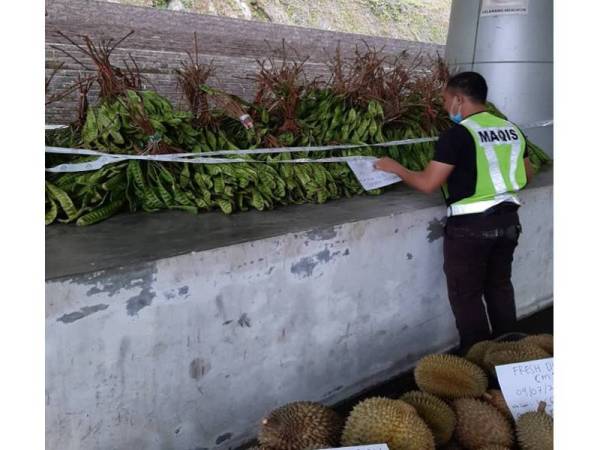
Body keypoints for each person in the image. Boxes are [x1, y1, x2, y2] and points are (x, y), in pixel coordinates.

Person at [374, 71, 535, 349]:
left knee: (467, 297)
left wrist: (396, 168)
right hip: (509, 222)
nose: (446, 107)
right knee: (499, 288)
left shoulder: (457, 135)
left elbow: (428, 183)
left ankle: (479, 367)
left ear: (459, 98)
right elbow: (527, 174)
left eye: (446, 100)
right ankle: (511, 358)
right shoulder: (513, 130)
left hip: (471, 229)